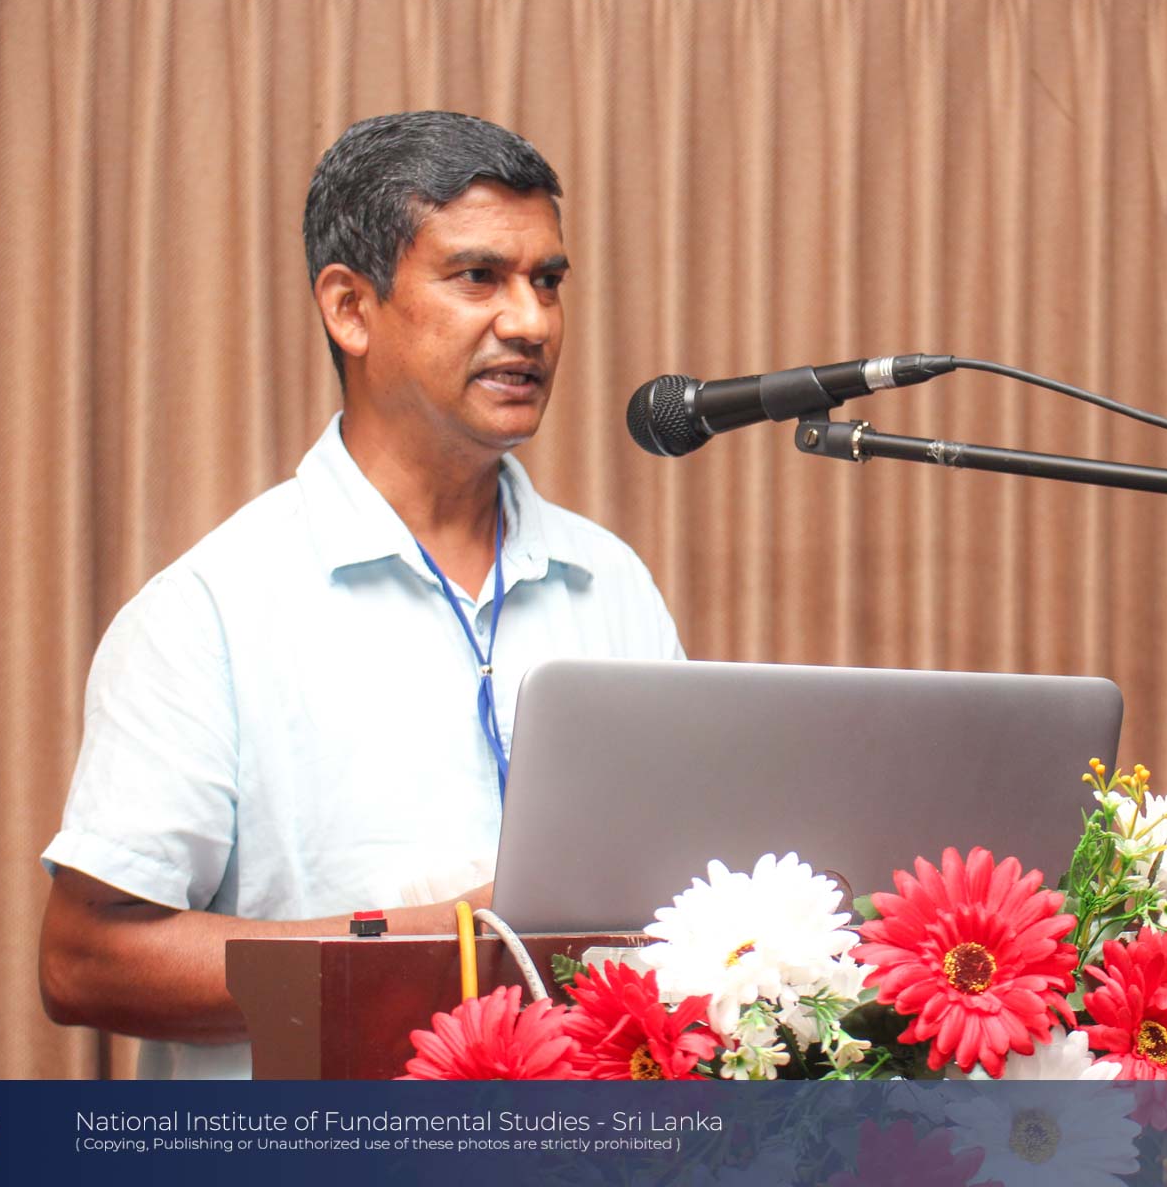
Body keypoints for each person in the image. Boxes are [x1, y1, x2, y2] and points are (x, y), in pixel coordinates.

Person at [37, 112, 683, 1078]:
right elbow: (86, 963)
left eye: (548, 281)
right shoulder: (213, 610)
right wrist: (446, 947)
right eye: (479, 277)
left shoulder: (612, 583)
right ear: (350, 308)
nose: (532, 322)